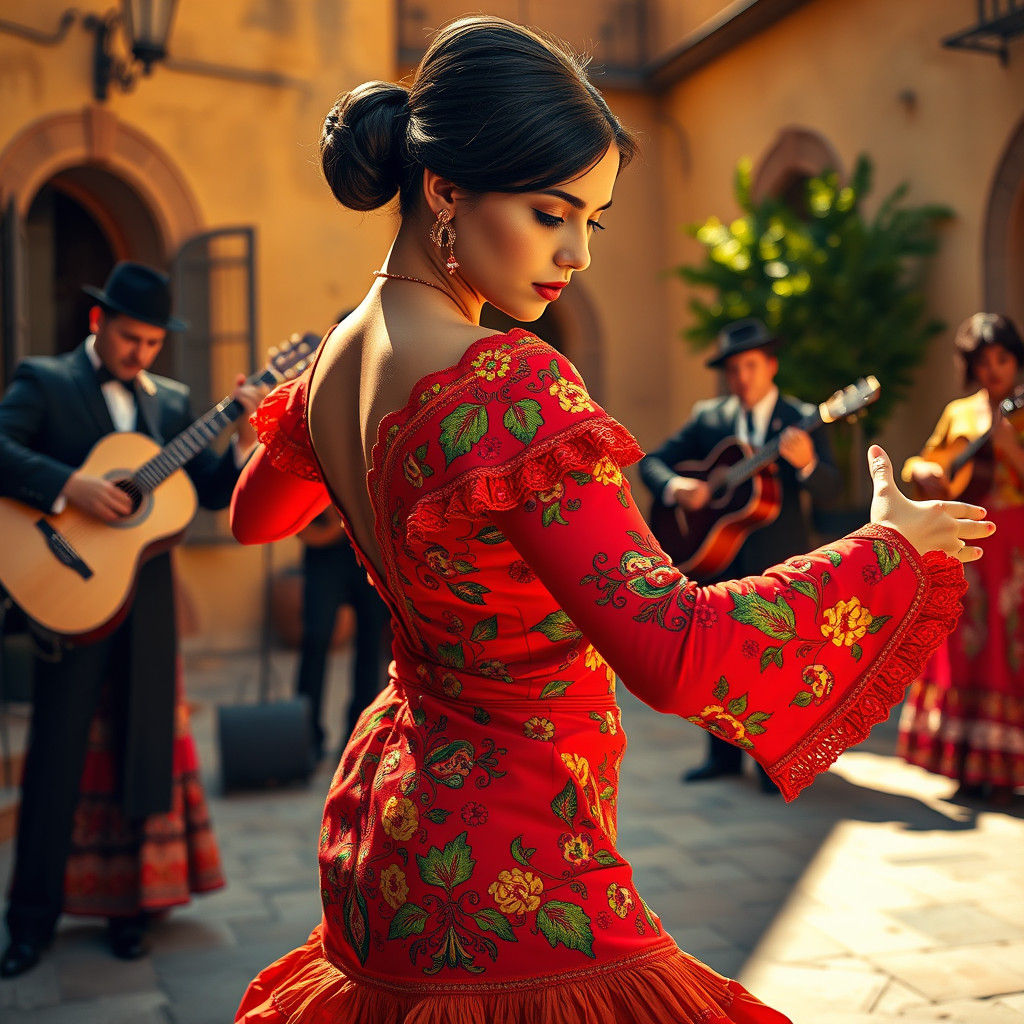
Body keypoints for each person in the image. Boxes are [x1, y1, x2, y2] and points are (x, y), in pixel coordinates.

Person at [229, 17, 988, 1023]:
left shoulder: (334, 358)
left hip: (390, 832)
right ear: (444, 190)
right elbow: (674, 652)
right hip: (516, 862)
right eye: (551, 214)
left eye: (593, 219)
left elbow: (253, 514)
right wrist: (885, 548)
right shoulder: (509, 385)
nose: (577, 254)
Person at [0, 261, 266, 977]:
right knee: (54, 760)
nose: (139, 354)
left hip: (145, 606)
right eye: (129, 339)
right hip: (70, 593)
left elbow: (208, 491)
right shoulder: (44, 381)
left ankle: (132, 911)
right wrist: (70, 486)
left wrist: (242, 435)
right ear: (98, 322)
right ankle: (28, 923)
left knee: (140, 754)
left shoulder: (175, 403)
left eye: (151, 343)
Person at [639, 318, 841, 791]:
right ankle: (723, 758)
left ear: (771, 365)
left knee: (778, 667)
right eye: (732, 369)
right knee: (720, 663)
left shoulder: (802, 417)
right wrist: (677, 488)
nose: (742, 378)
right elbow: (651, 462)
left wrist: (808, 463)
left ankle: (776, 761)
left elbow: (831, 492)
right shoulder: (709, 418)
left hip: (781, 563)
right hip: (717, 560)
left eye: (750, 366)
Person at [898, 312, 1024, 805]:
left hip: (1015, 547)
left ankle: (1008, 764)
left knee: (1009, 648)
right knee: (965, 646)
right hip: (967, 542)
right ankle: (967, 763)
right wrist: (922, 469)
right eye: (983, 361)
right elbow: (926, 461)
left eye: (1003, 359)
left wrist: (1012, 451)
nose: (993, 370)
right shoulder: (959, 413)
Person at [296, 503, 390, 760]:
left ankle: (358, 738)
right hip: (321, 548)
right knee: (316, 637)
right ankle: (306, 738)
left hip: (366, 542)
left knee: (370, 643)